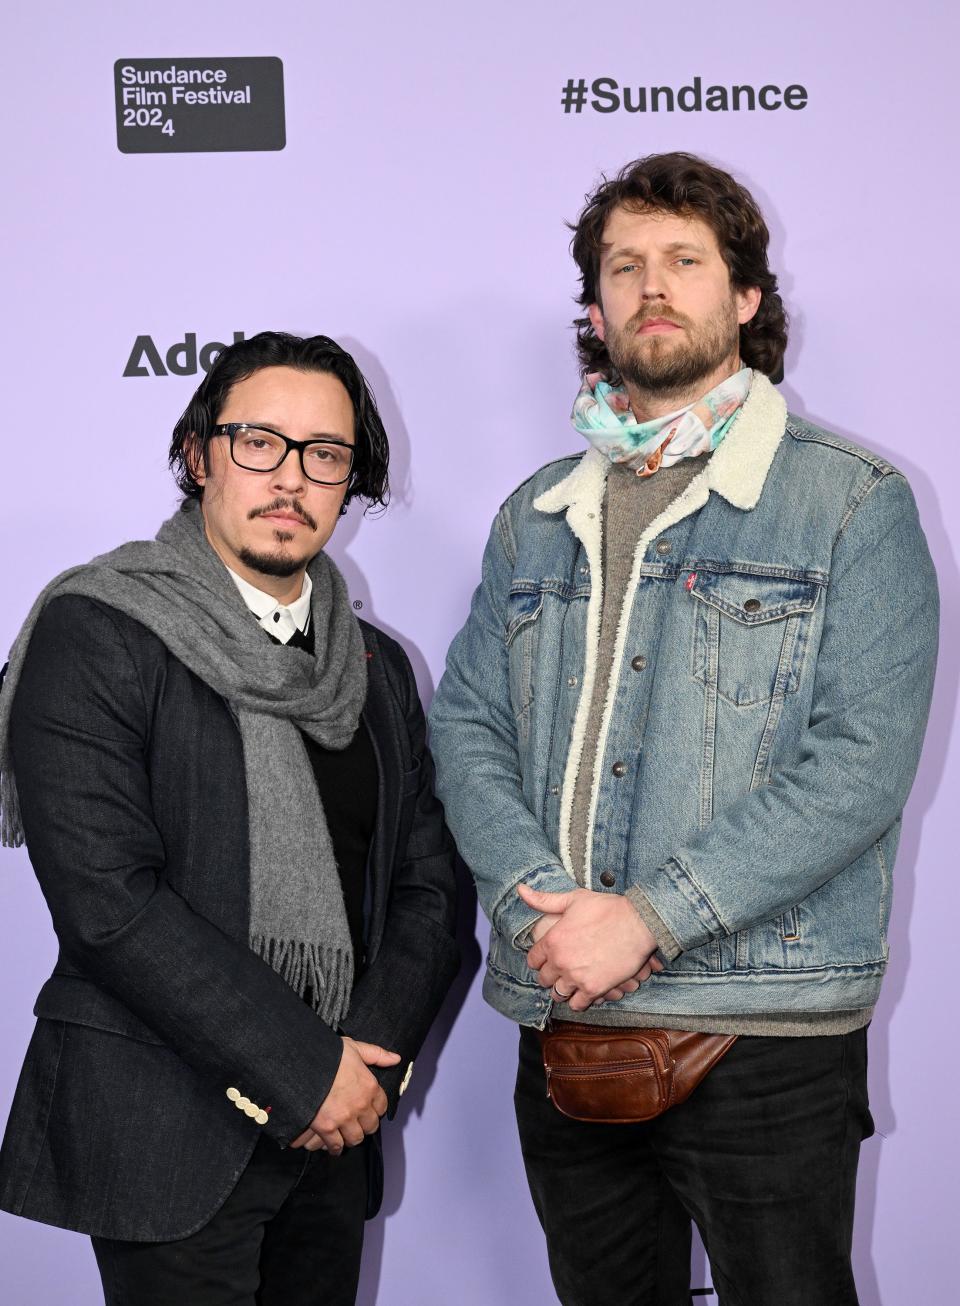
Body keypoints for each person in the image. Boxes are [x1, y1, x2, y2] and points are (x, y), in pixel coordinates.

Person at [428, 153, 939, 1305]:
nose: (652, 286)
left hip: (764, 1032)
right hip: (567, 1019)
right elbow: (466, 727)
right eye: (624, 266)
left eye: (684, 262)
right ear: (596, 306)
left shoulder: (854, 501)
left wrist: (652, 918)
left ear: (746, 298)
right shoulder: (536, 513)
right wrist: (534, 908)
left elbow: (859, 766)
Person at [0, 331, 459, 1306]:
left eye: (324, 455)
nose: (291, 477)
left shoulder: (375, 668)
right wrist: (305, 1072)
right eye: (260, 442)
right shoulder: (97, 628)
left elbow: (428, 878)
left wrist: (364, 1061)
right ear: (200, 453)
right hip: (164, 1127)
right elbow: (109, 904)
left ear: (350, 483)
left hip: (337, 1130)